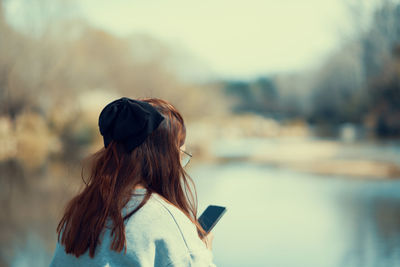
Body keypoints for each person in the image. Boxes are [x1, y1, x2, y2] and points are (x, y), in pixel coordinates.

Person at [50, 97, 216, 267]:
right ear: (165, 159)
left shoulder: (80, 215)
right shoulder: (168, 223)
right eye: (181, 158)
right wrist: (200, 252)